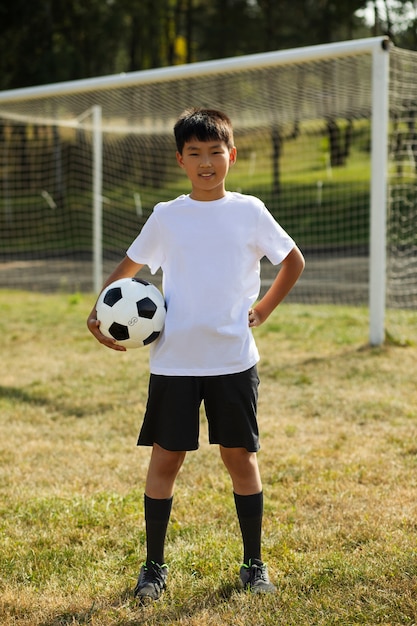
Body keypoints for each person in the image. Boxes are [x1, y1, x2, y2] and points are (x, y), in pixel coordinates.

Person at [87, 107, 305, 601]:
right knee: (167, 459)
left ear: (231, 155)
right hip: (175, 363)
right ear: (180, 160)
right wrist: (98, 311)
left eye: (214, 153)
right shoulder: (168, 217)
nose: (206, 162)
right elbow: (130, 267)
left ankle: (253, 563)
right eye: (194, 154)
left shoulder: (250, 211)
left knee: (240, 459)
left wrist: (265, 307)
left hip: (233, 360)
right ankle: (153, 567)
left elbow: (292, 260)